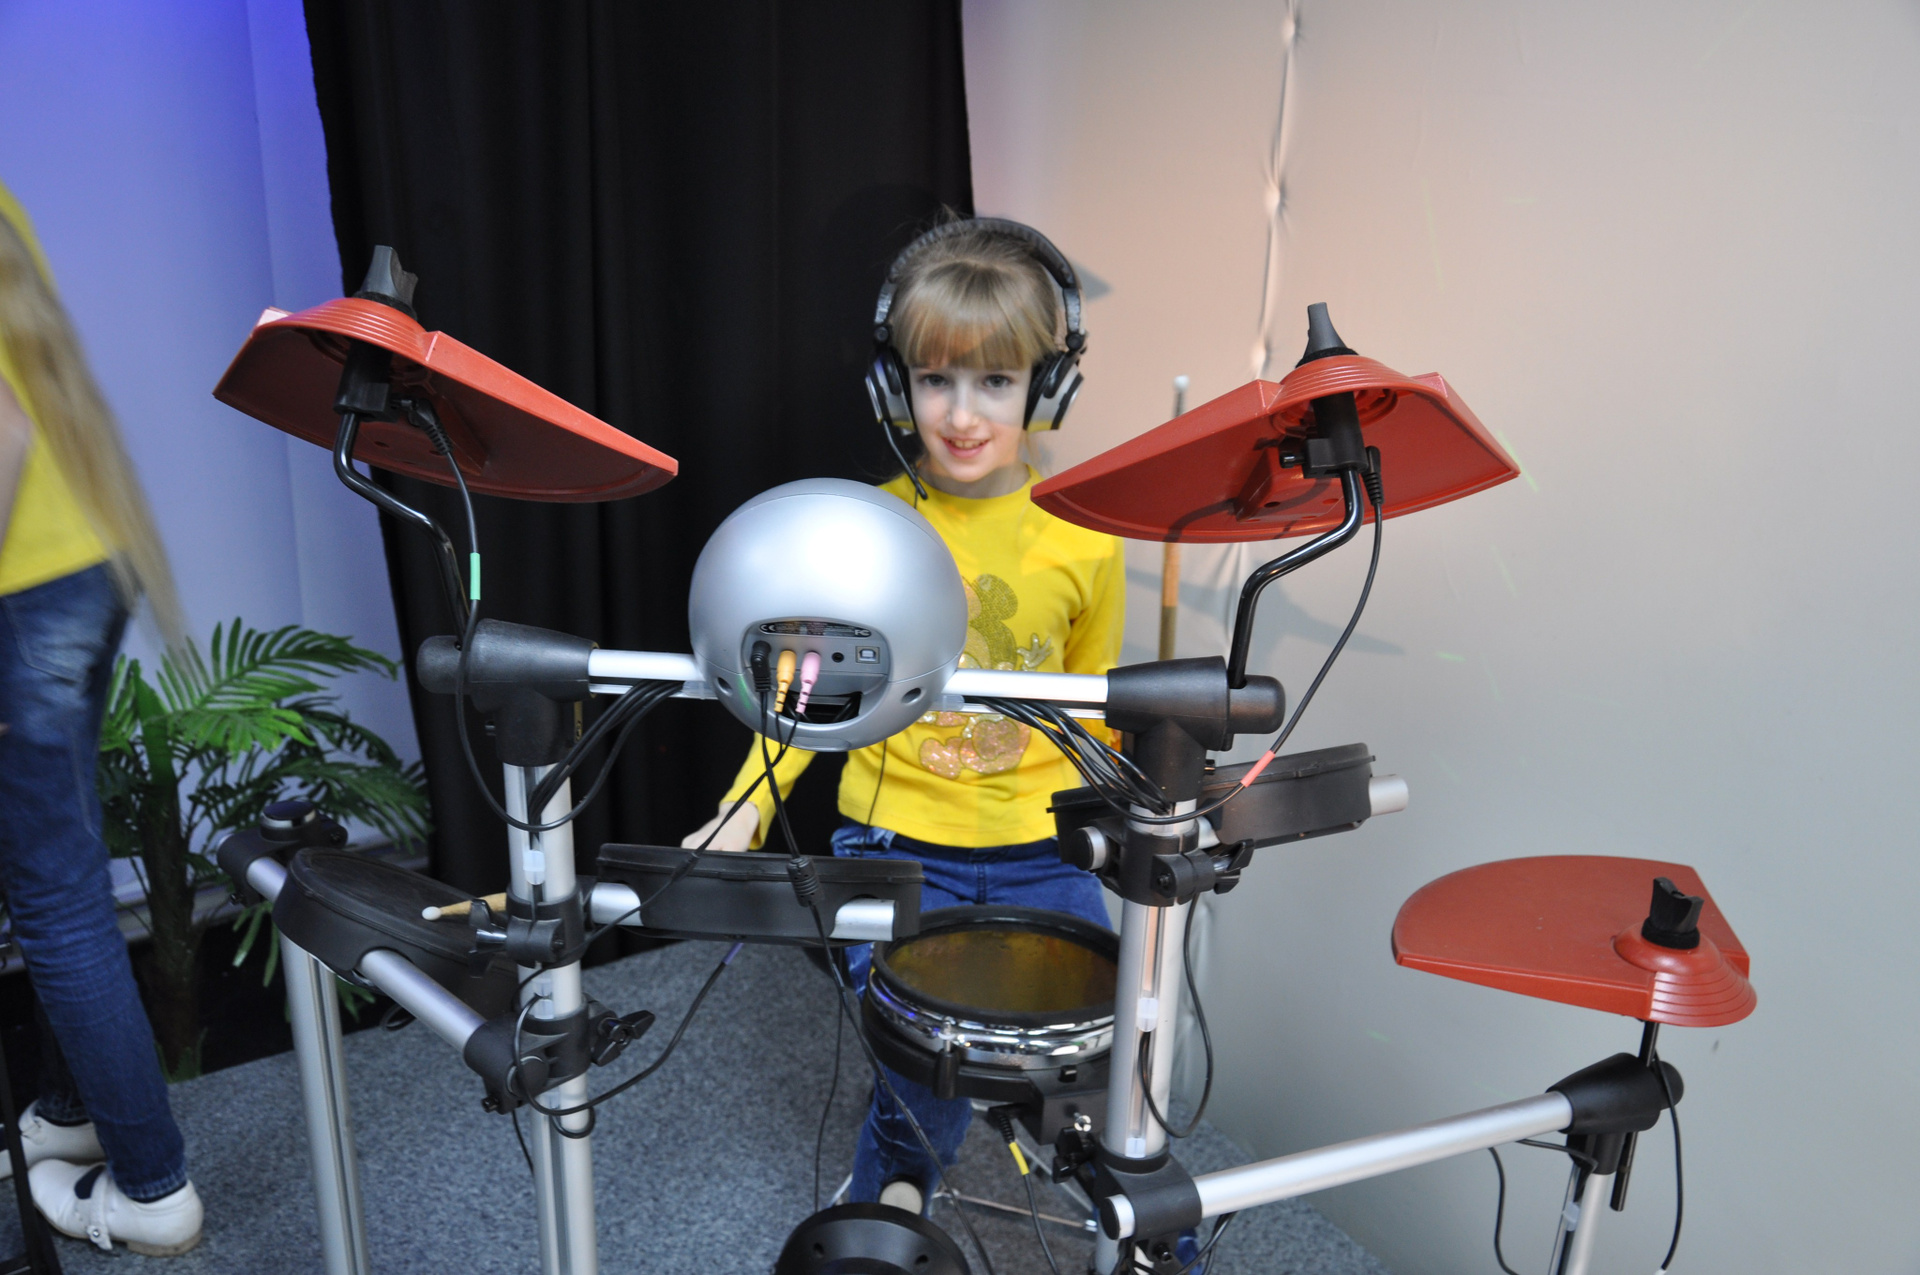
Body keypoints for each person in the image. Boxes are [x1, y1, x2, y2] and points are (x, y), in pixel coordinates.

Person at [682, 218, 1123, 1214]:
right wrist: (743, 809)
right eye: (934, 380)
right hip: (895, 843)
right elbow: (806, 695)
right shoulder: (862, 532)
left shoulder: (1088, 541)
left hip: (1043, 851)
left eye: (996, 381)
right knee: (924, 1053)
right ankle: (892, 1198)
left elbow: (1095, 704)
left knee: (1096, 1049)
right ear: (895, 386)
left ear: (1047, 389)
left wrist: (1146, 795)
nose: (961, 414)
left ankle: (1141, 1225)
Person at [0, 180, 203, 1255]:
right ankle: (74, 1115)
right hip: (84, 565)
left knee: (57, 903)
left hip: (20, 594)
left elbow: (2, 432)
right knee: (61, 883)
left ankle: (153, 1189)